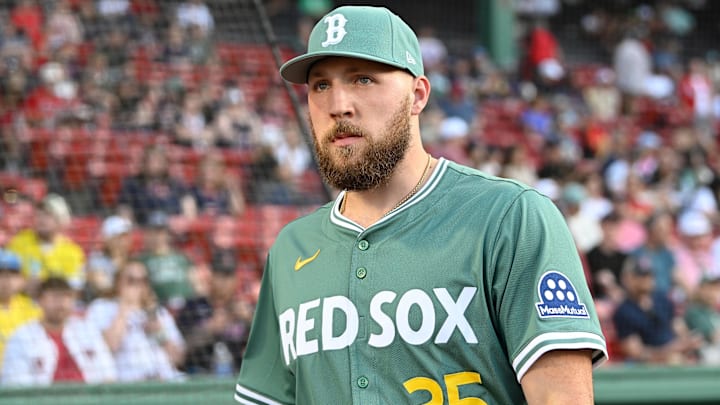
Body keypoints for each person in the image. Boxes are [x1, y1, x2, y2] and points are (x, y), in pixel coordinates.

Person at [234, 6, 607, 405]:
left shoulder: (510, 218)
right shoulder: (292, 249)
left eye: (363, 79)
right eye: (320, 85)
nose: (338, 105)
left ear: (417, 95)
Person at [1, 277, 116, 386]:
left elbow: (108, 374)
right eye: (55, 297)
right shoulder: (22, 336)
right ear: (40, 300)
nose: (62, 303)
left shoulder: (87, 331)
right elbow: (15, 385)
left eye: (67, 297)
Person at [85, 260, 185, 382]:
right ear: (118, 282)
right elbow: (108, 347)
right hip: (127, 383)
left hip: (164, 380)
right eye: (131, 281)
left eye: (143, 280)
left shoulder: (159, 312)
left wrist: (159, 332)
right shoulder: (101, 307)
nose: (138, 285)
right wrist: (125, 308)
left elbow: (178, 359)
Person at [612, 256, 703, 364]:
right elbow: (637, 353)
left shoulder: (662, 299)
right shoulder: (623, 311)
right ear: (628, 278)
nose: (646, 279)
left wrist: (688, 342)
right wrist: (672, 349)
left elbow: (678, 327)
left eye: (649, 275)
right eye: (640, 276)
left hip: (676, 358)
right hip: (647, 369)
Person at [177, 248, 252, 375]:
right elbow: (181, 350)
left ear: (235, 279)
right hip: (199, 376)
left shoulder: (243, 309)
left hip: (237, 377)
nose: (224, 282)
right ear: (211, 275)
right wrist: (210, 328)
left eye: (228, 276)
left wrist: (251, 322)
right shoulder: (193, 306)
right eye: (219, 275)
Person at [6, 193, 85, 296]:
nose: (41, 219)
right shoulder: (19, 242)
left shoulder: (73, 251)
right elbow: (5, 275)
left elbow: (76, 287)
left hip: (57, 303)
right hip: (22, 302)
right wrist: (23, 284)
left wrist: (47, 286)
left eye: (48, 215)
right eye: (39, 214)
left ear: (61, 220)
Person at [138, 211, 197, 313]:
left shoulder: (181, 257)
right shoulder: (142, 260)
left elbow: (194, 283)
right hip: (158, 308)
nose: (158, 236)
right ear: (148, 233)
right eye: (154, 231)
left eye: (161, 231)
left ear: (168, 233)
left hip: (186, 308)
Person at [0, 249, 41, 373]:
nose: (6, 280)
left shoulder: (32, 308)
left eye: (12, 274)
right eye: (1, 274)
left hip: (25, 375)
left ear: (22, 279)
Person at [84, 215, 134, 301]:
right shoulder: (96, 261)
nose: (124, 241)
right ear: (107, 239)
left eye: (126, 236)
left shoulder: (133, 261)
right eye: (119, 237)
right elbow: (103, 288)